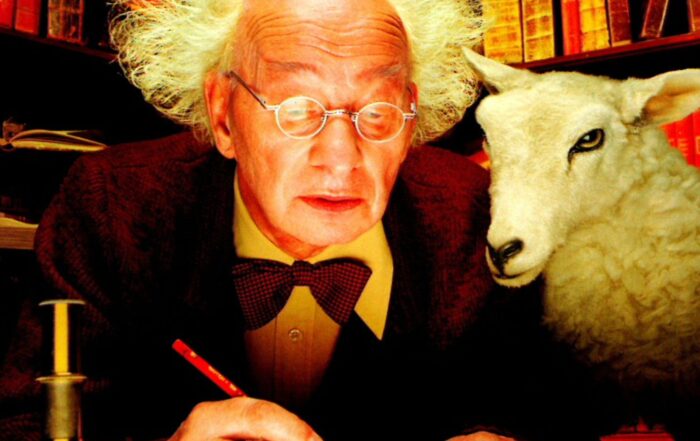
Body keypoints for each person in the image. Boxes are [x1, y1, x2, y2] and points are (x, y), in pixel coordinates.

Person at [0, 0, 614, 440]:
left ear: (411, 115)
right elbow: (25, 422)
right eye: (296, 110)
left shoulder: (485, 218)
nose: (341, 159)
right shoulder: (111, 204)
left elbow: (565, 407)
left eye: (377, 111)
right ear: (222, 114)